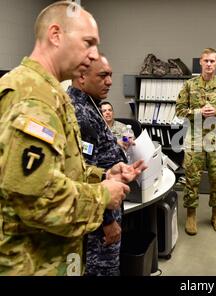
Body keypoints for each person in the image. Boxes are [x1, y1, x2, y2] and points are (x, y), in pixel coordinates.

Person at [0, 1, 145, 275]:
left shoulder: (50, 92)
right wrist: (103, 195)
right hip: (32, 262)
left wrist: (102, 175)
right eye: (88, 43)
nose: (93, 55)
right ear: (56, 35)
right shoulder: (34, 98)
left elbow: (59, 170)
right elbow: (34, 200)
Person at [67, 55, 127, 276]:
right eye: (103, 76)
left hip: (106, 202)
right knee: (102, 269)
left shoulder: (91, 104)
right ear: (82, 77)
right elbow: (84, 176)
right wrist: (108, 222)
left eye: (110, 75)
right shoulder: (81, 114)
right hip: (98, 216)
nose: (110, 81)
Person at [176, 48, 216, 235]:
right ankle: (191, 215)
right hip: (194, 140)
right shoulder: (189, 85)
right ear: (200, 63)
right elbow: (179, 110)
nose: (209, 64)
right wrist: (198, 112)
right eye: (206, 61)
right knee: (192, 179)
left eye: (212, 61)